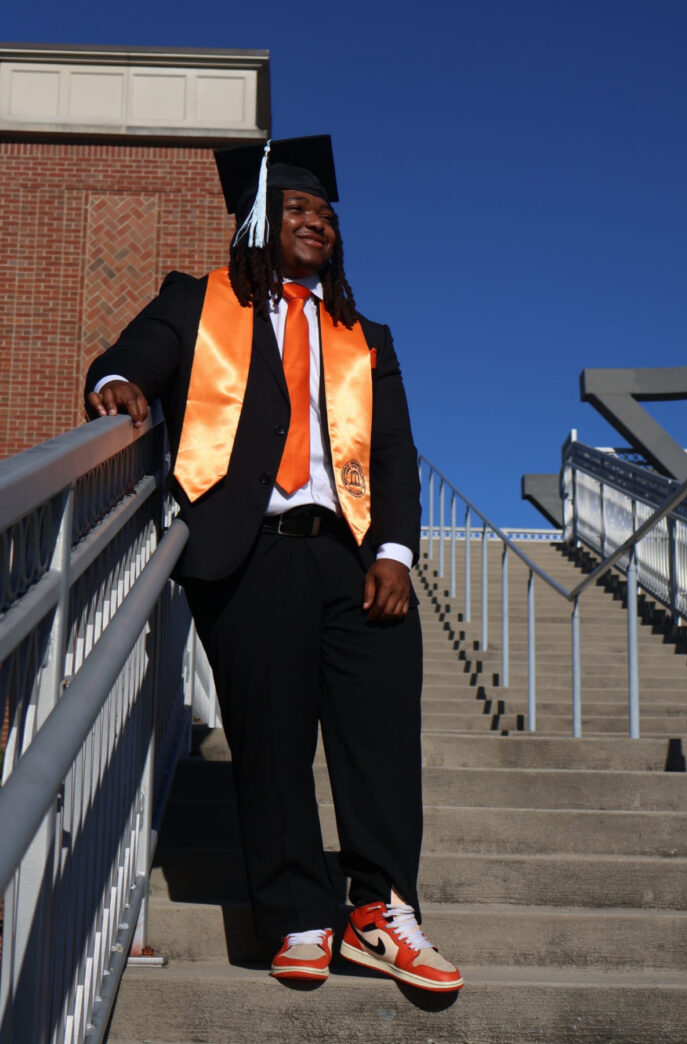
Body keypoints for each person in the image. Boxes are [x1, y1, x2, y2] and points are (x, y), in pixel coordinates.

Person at [85, 135, 463, 992]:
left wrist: (396, 550)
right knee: (271, 741)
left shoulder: (366, 336)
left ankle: (382, 908)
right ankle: (298, 913)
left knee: (380, 740)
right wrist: (115, 383)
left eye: (325, 214)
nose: (316, 222)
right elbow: (131, 358)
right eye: (296, 209)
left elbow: (397, 455)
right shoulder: (199, 303)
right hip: (249, 555)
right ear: (259, 224)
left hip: (357, 555)